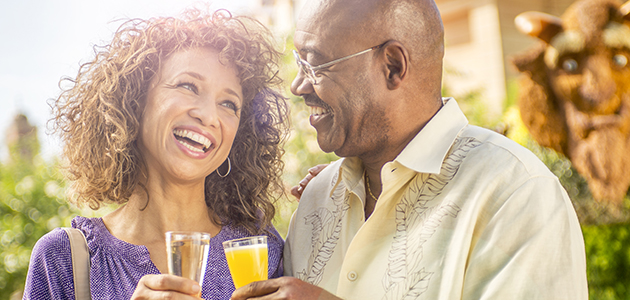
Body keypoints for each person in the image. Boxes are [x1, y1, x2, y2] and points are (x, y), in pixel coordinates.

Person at [231, 0, 588, 299]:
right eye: (299, 62)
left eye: (314, 64)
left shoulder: (515, 195)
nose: (297, 85)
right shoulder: (317, 197)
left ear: (392, 66)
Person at [23, 8, 289, 300]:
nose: (209, 116)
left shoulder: (259, 248)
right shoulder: (64, 259)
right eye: (188, 86)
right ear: (134, 100)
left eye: (229, 104)